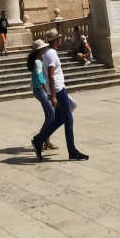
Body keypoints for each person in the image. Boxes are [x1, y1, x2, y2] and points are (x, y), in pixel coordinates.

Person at [32, 30, 88, 161]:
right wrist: (53, 96)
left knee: (59, 119)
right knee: (68, 119)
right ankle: (72, 151)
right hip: (58, 90)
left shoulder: (47, 53)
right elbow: (51, 75)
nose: (60, 40)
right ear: (56, 40)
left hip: (56, 89)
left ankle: (38, 140)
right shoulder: (51, 53)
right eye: (59, 39)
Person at [25, 40, 58, 154]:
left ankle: (46, 140)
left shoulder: (37, 60)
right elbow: (41, 79)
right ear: (40, 50)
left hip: (37, 89)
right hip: (40, 89)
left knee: (49, 115)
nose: (45, 50)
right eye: (43, 48)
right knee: (52, 115)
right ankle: (40, 138)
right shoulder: (38, 62)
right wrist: (48, 92)